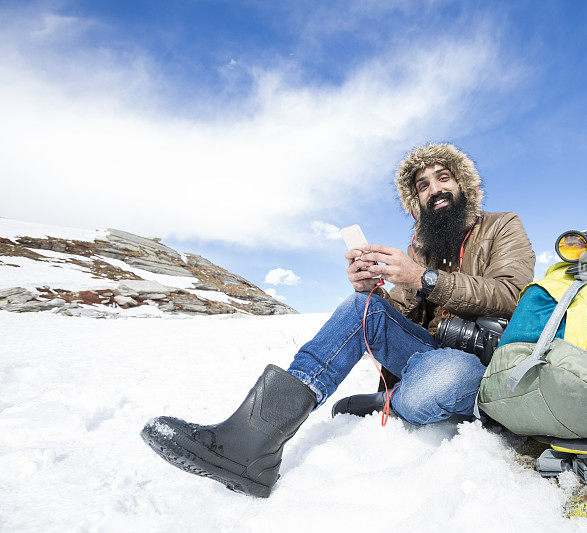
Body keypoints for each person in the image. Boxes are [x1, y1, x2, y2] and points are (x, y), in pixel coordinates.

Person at [141, 143, 535, 498]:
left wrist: (424, 278)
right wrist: (372, 290)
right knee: (359, 306)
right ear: (416, 201)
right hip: (426, 353)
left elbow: (512, 295)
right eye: (423, 185)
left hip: (482, 360)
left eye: (443, 178)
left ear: (463, 184)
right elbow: (394, 318)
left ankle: (394, 401)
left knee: (433, 388)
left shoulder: (502, 226)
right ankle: (250, 442)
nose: (435, 189)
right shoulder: (419, 248)